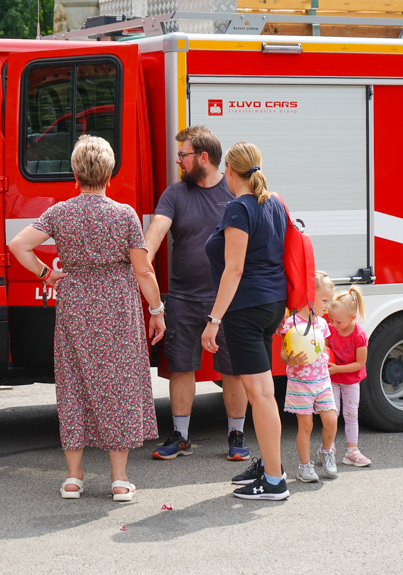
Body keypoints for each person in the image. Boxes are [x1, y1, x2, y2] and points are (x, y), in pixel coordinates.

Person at [10, 135, 163, 502]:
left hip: (76, 304)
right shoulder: (123, 214)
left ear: (75, 175)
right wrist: (157, 310)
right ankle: (120, 480)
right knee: (119, 386)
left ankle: (74, 478)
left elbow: (18, 245)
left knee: (74, 384)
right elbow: (143, 272)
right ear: (110, 173)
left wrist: (46, 273)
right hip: (117, 307)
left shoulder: (61, 212)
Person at [144, 126, 250, 462]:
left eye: (184, 155)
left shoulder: (235, 193)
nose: (179, 161)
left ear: (203, 158)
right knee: (181, 368)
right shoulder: (175, 194)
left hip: (229, 301)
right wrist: (141, 258)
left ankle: (236, 434)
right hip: (183, 298)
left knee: (232, 371)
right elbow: (157, 231)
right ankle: (181, 435)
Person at [202, 142, 289, 501]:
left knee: (262, 396)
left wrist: (214, 319)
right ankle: (272, 466)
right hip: (271, 304)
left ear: (230, 172)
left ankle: (273, 481)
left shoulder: (239, 208)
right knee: (264, 394)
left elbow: (234, 269)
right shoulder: (273, 203)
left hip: (246, 310)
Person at [280, 271, 339, 482]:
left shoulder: (322, 324)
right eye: (324, 300)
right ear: (309, 295)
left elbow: (325, 347)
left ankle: (326, 451)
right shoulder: (292, 322)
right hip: (300, 383)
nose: (327, 305)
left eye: (329, 301)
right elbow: (283, 353)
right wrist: (290, 360)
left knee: (331, 420)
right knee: (305, 426)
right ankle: (304, 466)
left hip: (322, 380)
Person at [327, 285, 372, 466]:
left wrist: (337, 369)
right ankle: (328, 448)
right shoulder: (331, 329)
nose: (333, 325)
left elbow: (359, 364)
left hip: (350, 380)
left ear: (352, 317)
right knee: (332, 413)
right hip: (333, 378)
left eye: (338, 322)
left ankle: (352, 451)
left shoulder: (359, 335)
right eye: (331, 320)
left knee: (351, 413)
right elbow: (325, 348)